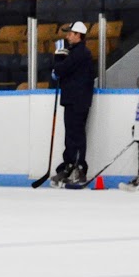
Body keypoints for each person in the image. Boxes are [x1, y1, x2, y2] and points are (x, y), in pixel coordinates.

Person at [48, 21, 94, 187]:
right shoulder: (75, 52)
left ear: (78, 35)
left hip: (78, 100)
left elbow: (61, 69)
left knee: (76, 134)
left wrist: (58, 56)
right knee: (71, 134)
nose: (67, 36)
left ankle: (79, 168)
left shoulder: (79, 53)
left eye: (70, 33)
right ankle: (68, 166)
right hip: (73, 99)